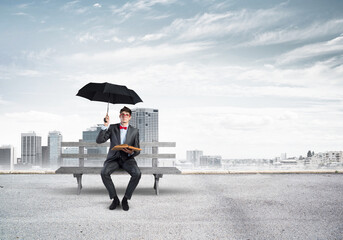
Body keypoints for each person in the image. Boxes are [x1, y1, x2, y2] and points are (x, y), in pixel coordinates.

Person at [96, 106, 141, 211]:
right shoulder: (112, 127)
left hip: (128, 159)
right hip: (114, 159)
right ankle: (115, 199)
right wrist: (105, 125)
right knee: (104, 172)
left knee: (137, 173)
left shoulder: (135, 131)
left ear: (130, 117)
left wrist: (131, 152)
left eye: (126, 115)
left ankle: (125, 199)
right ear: (119, 116)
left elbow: (137, 150)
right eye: (122, 114)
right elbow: (99, 140)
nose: (124, 116)